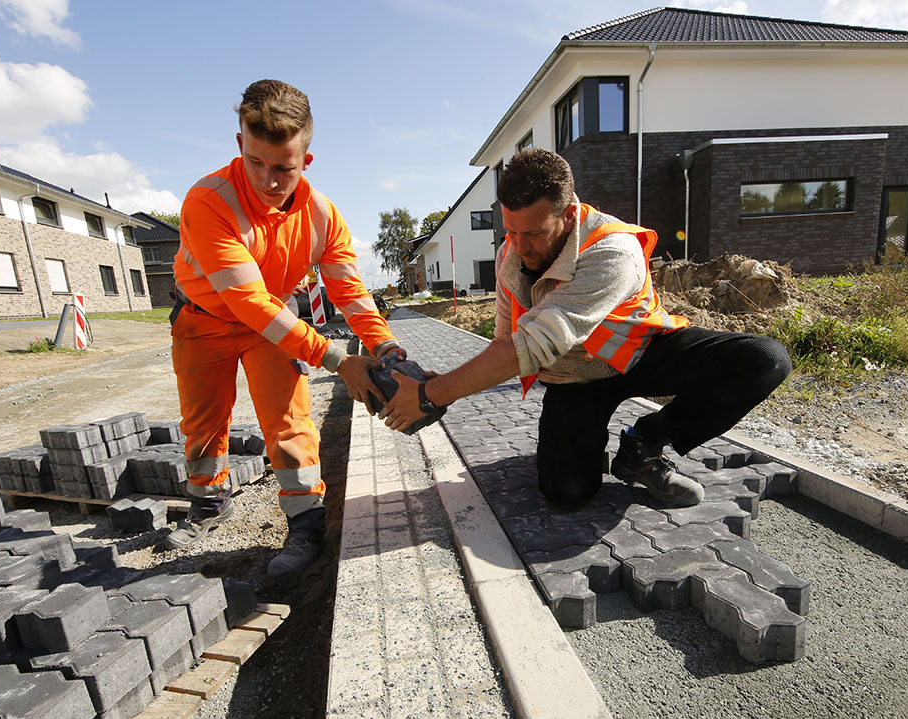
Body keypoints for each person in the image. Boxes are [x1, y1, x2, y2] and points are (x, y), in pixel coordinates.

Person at [378, 148, 791, 510]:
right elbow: (506, 344)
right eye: (511, 231)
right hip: (575, 378)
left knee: (763, 361)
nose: (519, 246)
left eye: (534, 233)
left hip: (641, 354)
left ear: (570, 215)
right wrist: (445, 384)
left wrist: (431, 396)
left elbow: (535, 344)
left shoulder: (611, 250)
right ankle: (577, 449)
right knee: (567, 493)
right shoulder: (510, 256)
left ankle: (644, 445)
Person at [167, 79, 400, 576]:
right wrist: (338, 360)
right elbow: (247, 300)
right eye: (256, 162)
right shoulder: (209, 202)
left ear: (306, 161)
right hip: (205, 321)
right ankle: (209, 502)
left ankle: (306, 525)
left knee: (289, 423)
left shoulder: (322, 216)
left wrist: (386, 346)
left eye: (283, 168)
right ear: (240, 146)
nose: (268, 180)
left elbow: (349, 290)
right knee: (203, 420)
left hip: (272, 323)